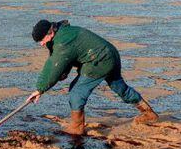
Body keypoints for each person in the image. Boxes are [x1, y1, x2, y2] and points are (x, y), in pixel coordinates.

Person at [26, 19, 158, 135]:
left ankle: (77, 128)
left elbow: (53, 67)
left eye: (42, 40)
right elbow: (66, 58)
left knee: (76, 92)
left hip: (99, 60)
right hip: (110, 53)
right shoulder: (64, 32)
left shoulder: (62, 42)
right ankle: (149, 113)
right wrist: (63, 73)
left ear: (51, 33)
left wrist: (40, 89)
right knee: (119, 87)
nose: (41, 44)